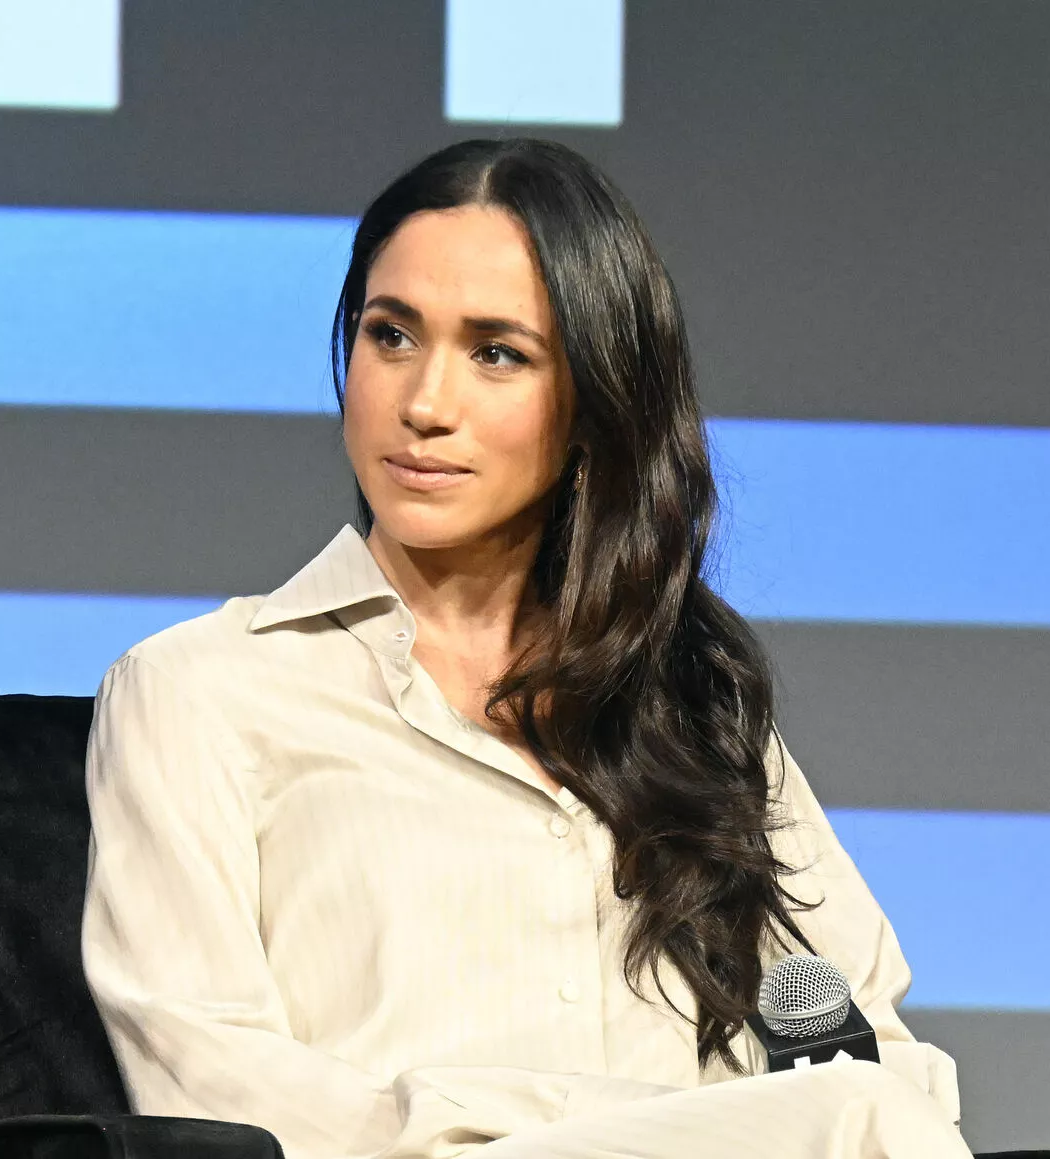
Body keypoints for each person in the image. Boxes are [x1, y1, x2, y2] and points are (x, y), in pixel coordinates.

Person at [81, 138, 971, 1159]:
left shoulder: (689, 706)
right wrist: (560, 1124)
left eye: (496, 353)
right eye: (390, 336)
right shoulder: (201, 690)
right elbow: (204, 1081)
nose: (424, 404)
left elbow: (856, 1034)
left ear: (592, 405)